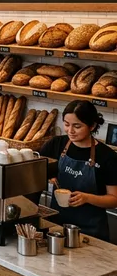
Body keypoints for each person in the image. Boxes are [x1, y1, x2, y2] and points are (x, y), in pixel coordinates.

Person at [40, 100, 117, 241]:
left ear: (92, 126)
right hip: (57, 228)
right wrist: (47, 176)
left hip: (91, 233)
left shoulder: (107, 156)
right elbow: (37, 170)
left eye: (77, 126)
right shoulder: (56, 144)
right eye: (66, 124)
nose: (70, 131)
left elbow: (114, 199)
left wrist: (87, 198)